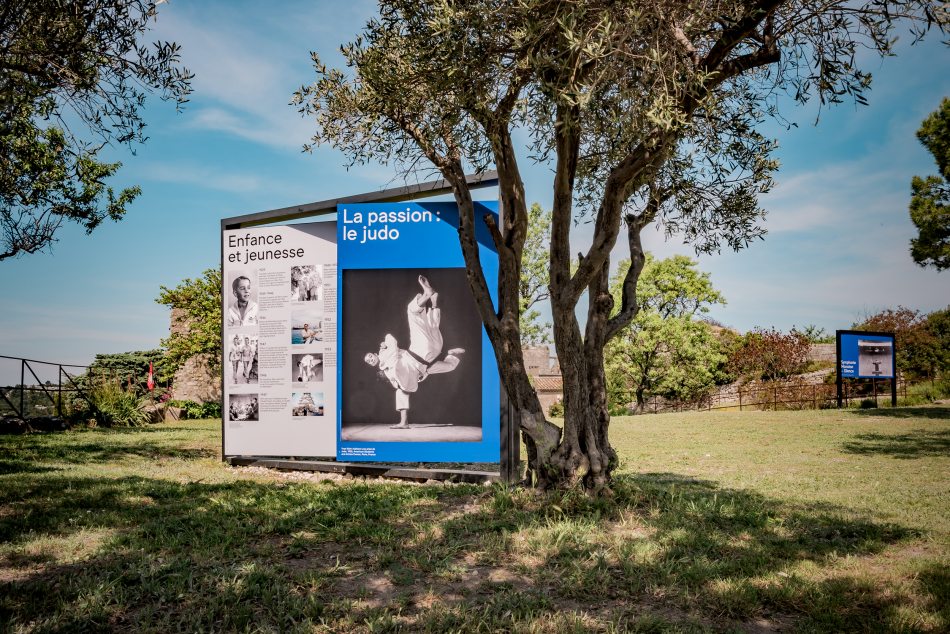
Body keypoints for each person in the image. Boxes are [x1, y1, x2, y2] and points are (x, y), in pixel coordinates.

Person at [363, 275, 464, 429]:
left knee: (418, 317)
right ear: (371, 366)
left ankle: (429, 296)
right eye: (368, 361)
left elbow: (392, 339)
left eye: (370, 356)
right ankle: (432, 301)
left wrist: (385, 342)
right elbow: (402, 383)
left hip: (421, 352)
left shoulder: (385, 358)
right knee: (430, 327)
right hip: (428, 359)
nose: (370, 359)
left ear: (375, 355)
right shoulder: (389, 371)